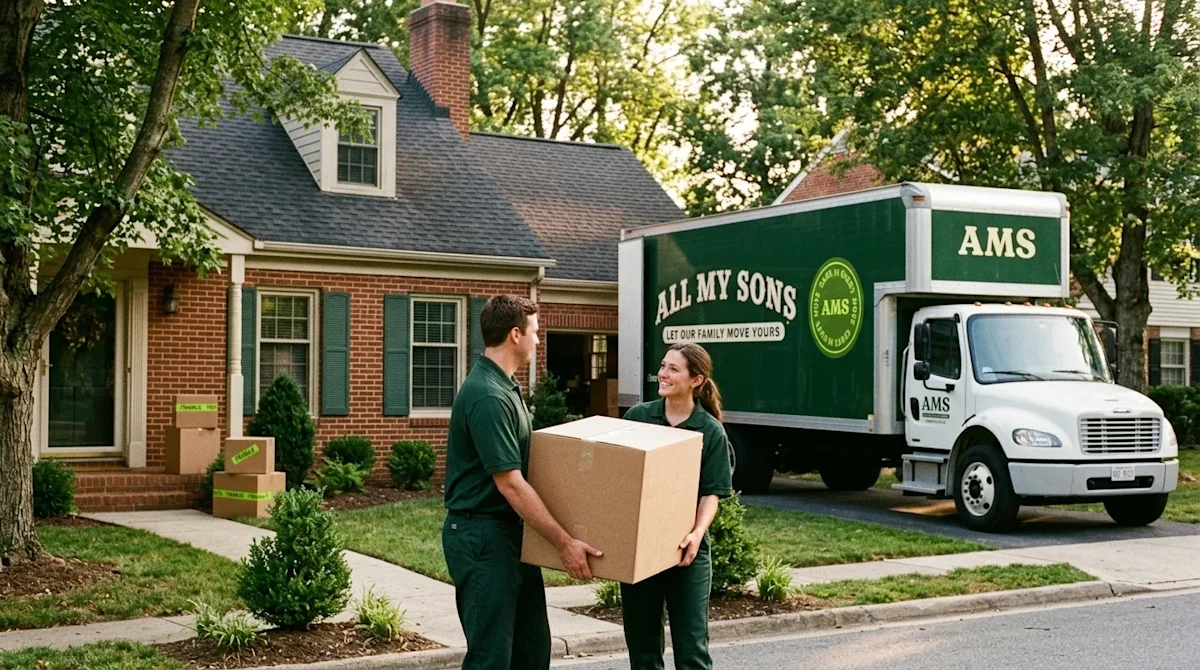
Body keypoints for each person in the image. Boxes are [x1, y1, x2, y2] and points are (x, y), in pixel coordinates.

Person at [441, 295, 603, 670]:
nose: (538, 340)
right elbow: (510, 483)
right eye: (535, 332)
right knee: (491, 658)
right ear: (515, 334)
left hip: (514, 536)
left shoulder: (507, 387)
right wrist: (564, 543)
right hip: (482, 537)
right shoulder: (487, 395)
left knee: (531, 652)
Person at [620, 342, 733, 670]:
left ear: (696, 380)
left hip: (687, 553)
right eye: (663, 366)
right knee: (642, 651)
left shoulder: (710, 431)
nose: (663, 374)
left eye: (673, 369)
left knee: (692, 650)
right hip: (640, 550)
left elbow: (711, 494)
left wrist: (697, 534)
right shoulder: (639, 418)